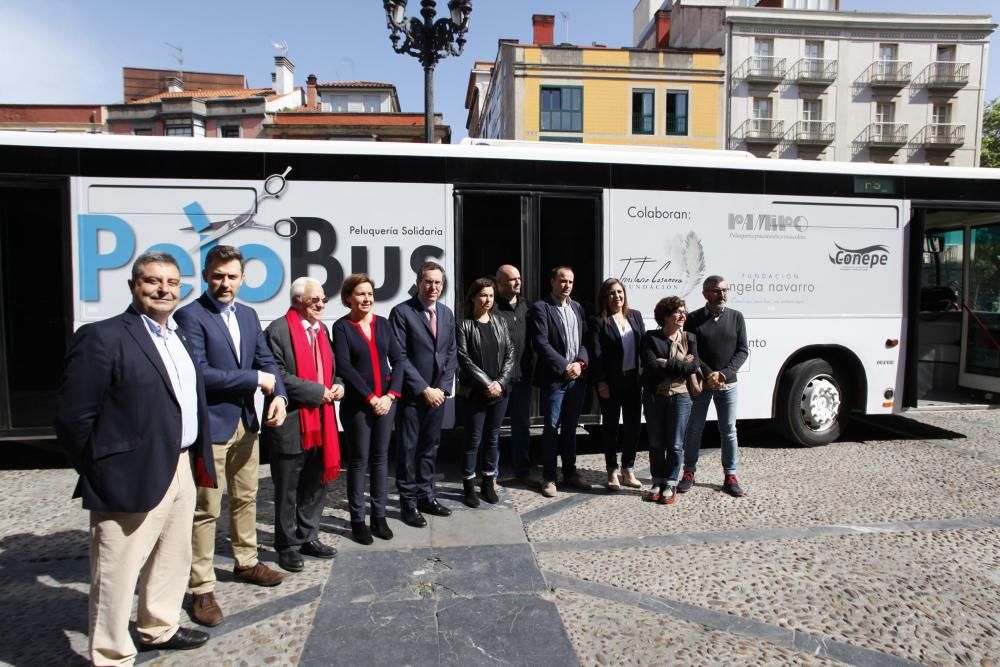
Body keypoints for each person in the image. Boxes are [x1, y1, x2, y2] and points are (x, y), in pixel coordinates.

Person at [55, 251, 216, 665]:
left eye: (172, 282)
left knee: (172, 557)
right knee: (116, 572)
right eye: (152, 281)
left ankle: (158, 627)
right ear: (133, 286)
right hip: (128, 473)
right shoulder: (103, 336)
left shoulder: (177, 335)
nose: (163, 289)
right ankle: (110, 654)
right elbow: (73, 418)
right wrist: (101, 469)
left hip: (180, 464)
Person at [174, 245, 288, 627]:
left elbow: (267, 361)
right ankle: (202, 587)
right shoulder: (190, 316)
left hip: (247, 423)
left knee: (247, 497)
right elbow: (200, 373)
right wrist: (256, 380)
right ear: (206, 276)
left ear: (242, 278)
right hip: (212, 426)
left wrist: (280, 396)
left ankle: (247, 562)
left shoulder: (249, 314)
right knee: (206, 507)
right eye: (218, 276)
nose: (225, 283)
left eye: (232, 276)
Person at [263, 277, 342, 570]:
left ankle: (308, 535)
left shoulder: (322, 331)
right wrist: (317, 392)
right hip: (293, 423)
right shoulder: (278, 331)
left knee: (315, 484)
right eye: (314, 300)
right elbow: (277, 375)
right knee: (287, 489)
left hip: (323, 422)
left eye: (323, 299)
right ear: (297, 302)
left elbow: (334, 369)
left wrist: (338, 386)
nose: (321, 304)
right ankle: (287, 545)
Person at [332, 273, 404, 545]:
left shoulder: (384, 324)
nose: (366, 298)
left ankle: (379, 516)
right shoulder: (342, 327)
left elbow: (398, 360)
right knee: (359, 461)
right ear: (348, 297)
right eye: (360, 294)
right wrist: (371, 398)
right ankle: (358, 520)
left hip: (386, 404)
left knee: (381, 458)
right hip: (357, 407)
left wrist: (391, 396)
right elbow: (344, 367)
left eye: (370, 294)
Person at [389, 261, 458, 528]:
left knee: (430, 447)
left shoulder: (446, 313)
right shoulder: (402, 312)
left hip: (437, 395)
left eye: (438, 282)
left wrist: (441, 388)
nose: (433, 287)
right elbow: (400, 358)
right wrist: (424, 389)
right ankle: (408, 504)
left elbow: (450, 353)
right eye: (428, 281)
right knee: (408, 450)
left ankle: (426, 496)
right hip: (412, 395)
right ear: (418, 283)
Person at [679, 275, 749, 497]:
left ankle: (730, 475)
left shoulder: (737, 317)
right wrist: (710, 375)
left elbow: (742, 350)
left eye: (725, 290)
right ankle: (688, 472)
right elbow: (692, 351)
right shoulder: (694, 319)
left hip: (728, 385)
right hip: (702, 383)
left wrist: (724, 375)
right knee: (694, 429)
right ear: (705, 294)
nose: (723, 295)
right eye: (717, 291)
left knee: (728, 430)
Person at [530, 266, 591, 498]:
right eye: (563, 281)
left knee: (571, 429)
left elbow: (586, 340)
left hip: (577, 379)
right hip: (556, 380)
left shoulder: (577, 308)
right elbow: (541, 343)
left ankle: (570, 473)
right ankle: (548, 477)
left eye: (570, 282)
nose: (567, 285)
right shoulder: (542, 308)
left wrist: (580, 364)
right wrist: (566, 365)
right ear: (552, 281)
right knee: (550, 428)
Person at [456, 278, 515, 507]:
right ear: (473, 297)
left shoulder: (500, 322)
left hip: (499, 393)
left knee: (493, 438)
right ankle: (469, 485)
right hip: (475, 394)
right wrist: (487, 384)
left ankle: (488, 481)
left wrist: (499, 383)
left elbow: (510, 353)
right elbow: (464, 359)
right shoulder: (464, 325)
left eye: (490, 295)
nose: (487, 300)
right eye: (483, 295)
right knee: (473, 440)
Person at [640, 296, 701, 505]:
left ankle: (671, 483)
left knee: (675, 443)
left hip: (681, 396)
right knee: (656, 442)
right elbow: (651, 367)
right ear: (665, 316)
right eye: (677, 311)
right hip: (654, 396)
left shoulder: (689, 338)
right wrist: (680, 363)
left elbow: (693, 367)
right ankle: (657, 481)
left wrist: (667, 363)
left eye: (684, 310)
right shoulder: (650, 338)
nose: (683, 315)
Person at [588, 278, 645, 491]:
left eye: (620, 292)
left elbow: (643, 347)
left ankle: (628, 469)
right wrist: (601, 381)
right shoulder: (598, 321)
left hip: (633, 380)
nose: (617, 296)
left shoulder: (635, 316)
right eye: (612, 293)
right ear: (605, 296)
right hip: (610, 383)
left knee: (633, 427)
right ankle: (612, 470)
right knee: (611, 428)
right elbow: (596, 354)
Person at [494, 264, 537, 487]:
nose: (518, 282)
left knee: (522, 426)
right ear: (500, 283)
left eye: (519, 278)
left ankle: (523, 470)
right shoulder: (492, 308)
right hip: (500, 379)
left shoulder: (527, 307)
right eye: (512, 279)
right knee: (494, 428)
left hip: (523, 378)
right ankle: (491, 474)